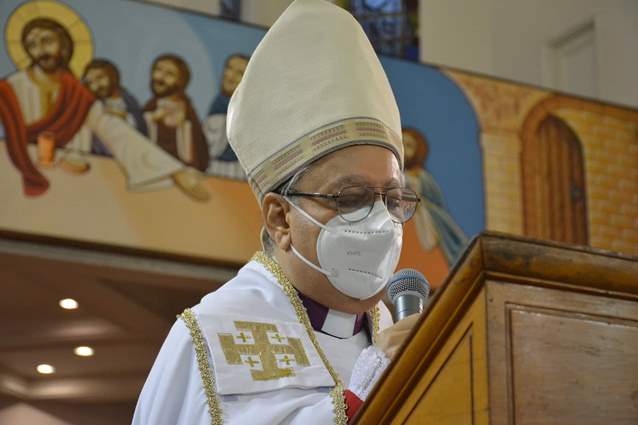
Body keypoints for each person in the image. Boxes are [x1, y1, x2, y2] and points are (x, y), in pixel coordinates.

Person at [133, 1, 423, 424]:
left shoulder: (398, 332)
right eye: (351, 198)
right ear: (280, 218)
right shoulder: (212, 335)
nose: (380, 222)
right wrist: (369, 390)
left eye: (392, 199)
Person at [0, 17, 207, 200]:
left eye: (47, 41)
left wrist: (174, 171)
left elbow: (115, 131)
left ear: (63, 44)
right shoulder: (11, 89)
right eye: (32, 45)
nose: (40, 50)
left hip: (74, 188)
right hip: (17, 180)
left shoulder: (77, 94)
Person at [402, 127, 468, 265]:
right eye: (401, 143)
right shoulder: (393, 174)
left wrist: (421, 206)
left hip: (423, 221)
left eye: (409, 145)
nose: (404, 149)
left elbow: (438, 204)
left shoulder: (423, 177)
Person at [143, 54, 210, 172]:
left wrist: (183, 127)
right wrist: (151, 118)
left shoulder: (187, 112)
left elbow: (199, 154)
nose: (160, 77)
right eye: (158, 70)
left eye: (169, 74)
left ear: (180, 81)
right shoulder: (150, 107)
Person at [82, 58, 148, 156]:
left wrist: (123, 116)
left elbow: (141, 128)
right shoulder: (94, 102)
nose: (95, 86)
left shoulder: (129, 100)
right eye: (90, 82)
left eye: (100, 78)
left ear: (113, 76)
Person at [204, 53, 249, 180]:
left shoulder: (249, 111)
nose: (231, 76)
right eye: (229, 68)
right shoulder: (219, 105)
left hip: (238, 173)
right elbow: (211, 148)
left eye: (239, 73)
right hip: (215, 170)